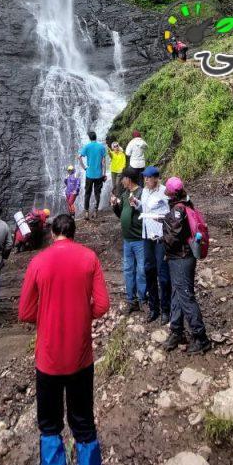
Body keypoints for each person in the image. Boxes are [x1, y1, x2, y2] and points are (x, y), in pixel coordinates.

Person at [18, 213, 109, 465]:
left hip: (48, 360)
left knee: (49, 425)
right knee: (83, 424)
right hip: (81, 358)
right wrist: (84, 314)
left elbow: (24, 312)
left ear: (51, 232)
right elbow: (103, 305)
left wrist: (45, 316)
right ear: (73, 233)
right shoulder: (89, 257)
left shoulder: (38, 261)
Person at [162, 177, 211, 355]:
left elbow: (173, 237)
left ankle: (201, 338)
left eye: (167, 192)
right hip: (182, 256)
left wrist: (160, 239)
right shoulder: (186, 204)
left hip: (181, 257)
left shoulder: (178, 210)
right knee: (177, 293)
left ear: (172, 194)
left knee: (185, 296)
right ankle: (176, 331)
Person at [111, 167, 147, 314]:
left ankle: (142, 299)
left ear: (129, 179)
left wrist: (137, 205)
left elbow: (146, 211)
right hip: (127, 240)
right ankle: (131, 300)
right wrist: (115, 206)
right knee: (128, 270)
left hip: (139, 239)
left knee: (141, 270)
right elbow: (122, 214)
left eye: (123, 179)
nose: (121, 182)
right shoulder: (125, 194)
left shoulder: (142, 193)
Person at [140, 167, 171, 325]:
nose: (145, 180)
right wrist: (137, 204)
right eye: (144, 178)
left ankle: (166, 309)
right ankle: (154, 308)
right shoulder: (145, 192)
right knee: (149, 271)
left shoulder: (165, 192)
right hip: (147, 237)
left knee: (163, 274)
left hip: (160, 237)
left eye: (148, 178)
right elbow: (145, 208)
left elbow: (173, 211)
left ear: (156, 178)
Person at [78, 130, 108, 220]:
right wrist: (104, 174)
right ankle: (95, 211)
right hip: (99, 175)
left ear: (89, 138)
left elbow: (79, 157)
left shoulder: (87, 146)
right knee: (97, 193)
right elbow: (103, 162)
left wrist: (84, 168)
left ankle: (86, 212)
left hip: (89, 174)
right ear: (96, 137)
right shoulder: (101, 147)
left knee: (87, 193)